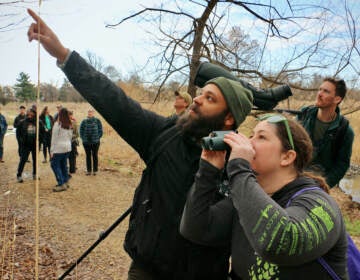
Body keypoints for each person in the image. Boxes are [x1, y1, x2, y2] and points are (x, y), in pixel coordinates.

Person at [27, 9, 254, 279]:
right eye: (201, 93)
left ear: (229, 118)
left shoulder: (241, 164)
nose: (197, 99)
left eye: (210, 99)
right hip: (147, 269)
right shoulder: (166, 133)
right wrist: (64, 55)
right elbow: (115, 102)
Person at [180, 115, 348, 279]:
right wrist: (208, 171)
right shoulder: (244, 200)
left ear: (287, 157)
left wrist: (239, 168)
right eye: (251, 135)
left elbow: (281, 242)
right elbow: (196, 228)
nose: (248, 142)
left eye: (261, 137)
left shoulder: (318, 202)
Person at [298, 77, 354, 188]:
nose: (319, 94)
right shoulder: (304, 116)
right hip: (295, 176)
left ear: (337, 99)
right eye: (320, 89)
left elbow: (342, 165)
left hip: (318, 184)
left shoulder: (345, 130)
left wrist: (323, 186)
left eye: (326, 91)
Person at [16, 108, 44, 182]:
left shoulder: (39, 122)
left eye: (31, 114)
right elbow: (18, 134)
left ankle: (35, 174)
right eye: (28, 114)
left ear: (35, 114)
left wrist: (40, 141)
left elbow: (43, 133)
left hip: (35, 145)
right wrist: (21, 141)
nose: (30, 116)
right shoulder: (22, 122)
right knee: (23, 160)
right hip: (25, 145)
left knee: (35, 160)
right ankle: (19, 175)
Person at [50, 107, 73, 192]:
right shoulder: (69, 124)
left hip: (59, 148)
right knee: (63, 165)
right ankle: (66, 181)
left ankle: (61, 183)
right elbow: (70, 137)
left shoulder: (58, 124)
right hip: (67, 148)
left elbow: (54, 138)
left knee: (54, 165)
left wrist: (52, 151)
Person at [79, 108, 103, 176]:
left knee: (95, 155)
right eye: (89, 112)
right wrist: (83, 138)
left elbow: (100, 130)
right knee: (88, 156)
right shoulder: (84, 121)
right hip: (86, 142)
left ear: (93, 113)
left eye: (91, 112)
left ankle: (95, 170)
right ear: (87, 113)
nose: (90, 113)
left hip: (95, 142)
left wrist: (98, 137)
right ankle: (89, 170)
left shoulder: (97, 121)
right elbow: (81, 130)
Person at [68, 110, 79, 174]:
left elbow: (77, 134)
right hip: (65, 142)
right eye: (69, 115)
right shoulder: (63, 122)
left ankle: (72, 169)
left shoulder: (74, 122)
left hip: (72, 142)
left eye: (71, 115)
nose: (70, 116)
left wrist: (71, 136)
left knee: (73, 156)